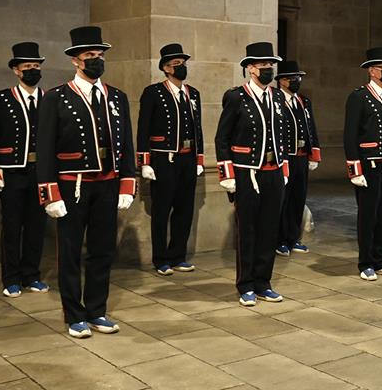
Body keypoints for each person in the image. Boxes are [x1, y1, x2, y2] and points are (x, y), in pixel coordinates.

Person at [37, 26, 136, 338]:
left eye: (100, 55)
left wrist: (127, 182)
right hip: (71, 185)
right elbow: (45, 148)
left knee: (102, 250)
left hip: (107, 184)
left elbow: (128, 145)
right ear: (75, 61)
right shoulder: (57, 98)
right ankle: (74, 314)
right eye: (90, 56)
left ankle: (97, 310)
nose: (96, 60)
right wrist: (50, 193)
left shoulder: (116, 97)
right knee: (69, 251)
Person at [214, 42, 289, 307]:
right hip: (247, 173)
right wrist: (228, 174)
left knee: (270, 228)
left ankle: (263, 282)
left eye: (271, 65)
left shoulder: (277, 97)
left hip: (274, 171)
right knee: (247, 229)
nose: (269, 69)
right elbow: (222, 138)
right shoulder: (236, 97)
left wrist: (284, 167)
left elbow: (283, 136)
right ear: (250, 68)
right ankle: (245, 284)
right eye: (264, 65)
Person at [0, 42, 49, 298]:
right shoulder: (0, 99)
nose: (33, 70)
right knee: (12, 225)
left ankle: (32, 274)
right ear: (16, 71)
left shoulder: (49, 98)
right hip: (11, 172)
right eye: (28, 66)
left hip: (40, 173)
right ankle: (11, 278)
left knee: (36, 225)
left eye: (36, 66)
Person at [137, 43, 204, 276]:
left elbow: (199, 129)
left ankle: (178, 255)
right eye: (176, 64)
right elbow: (143, 128)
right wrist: (144, 161)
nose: (181, 67)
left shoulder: (193, 94)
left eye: (183, 64)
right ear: (166, 68)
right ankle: (160, 258)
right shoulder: (153, 92)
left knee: (184, 210)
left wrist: (199, 160)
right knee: (161, 210)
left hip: (188, 159)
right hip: (164, 160)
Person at [344, 47, 382, 281]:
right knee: (368, 213)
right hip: (369, 164)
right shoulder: (359, 97)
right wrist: (354, 168)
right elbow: (350, 135)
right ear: (372, 71)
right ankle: (366, 262)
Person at [275, 60, 321, 256]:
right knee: (282, 200)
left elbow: (311, 129)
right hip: (285, 157)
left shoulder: (304, 101)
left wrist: (314, 154)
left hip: (301, 157)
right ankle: (280, 240)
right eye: (292, 78)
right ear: (282, 81)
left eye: (298, 78)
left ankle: (293, 238)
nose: (296, 81)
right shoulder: (276, 99)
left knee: (298, 198)